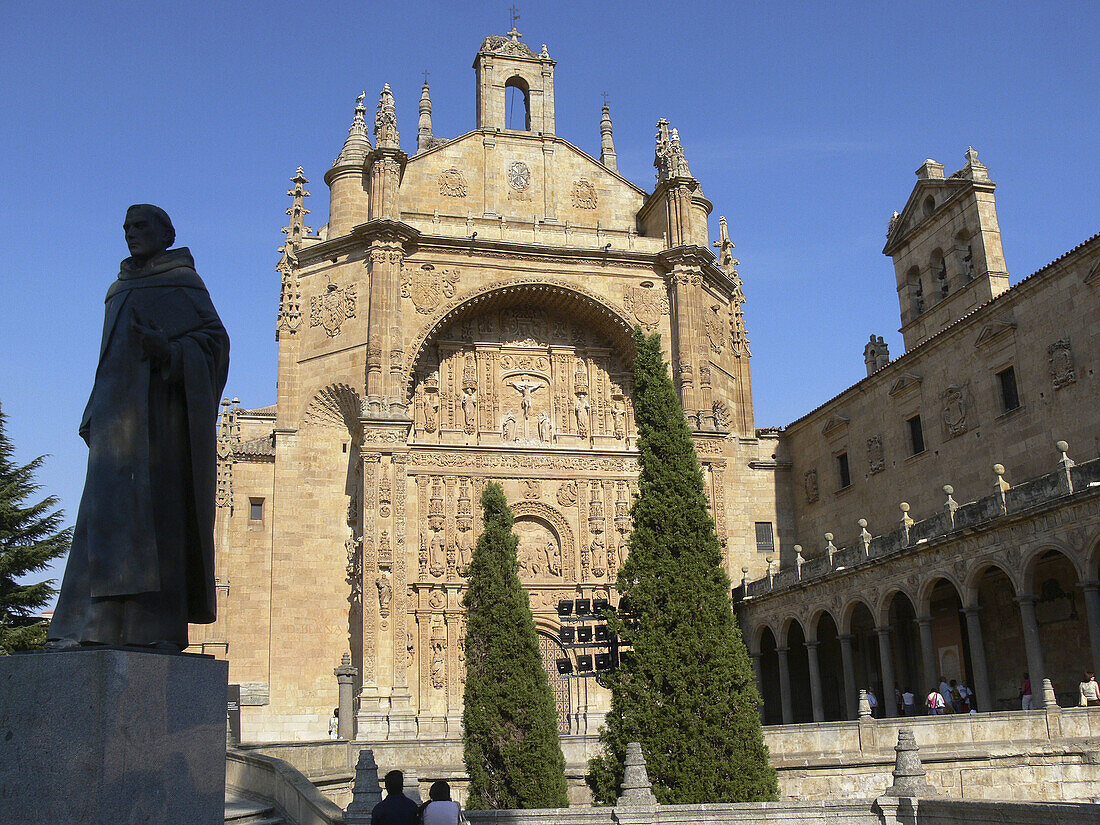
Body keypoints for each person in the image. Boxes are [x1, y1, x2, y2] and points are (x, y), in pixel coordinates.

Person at [48, 205, 230, 650]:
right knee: (101, 521)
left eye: (141, 226)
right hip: (115, 423)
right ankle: (89, 626)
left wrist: (167, 350)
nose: (131, 233)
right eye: (126, 226)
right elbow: (107, 358)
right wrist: (94, 406)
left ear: (167, 234)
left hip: (161, 425)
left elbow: (214, 345)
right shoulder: (118, 288)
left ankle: (152, 630)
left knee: (155, 523)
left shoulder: (183, 282)